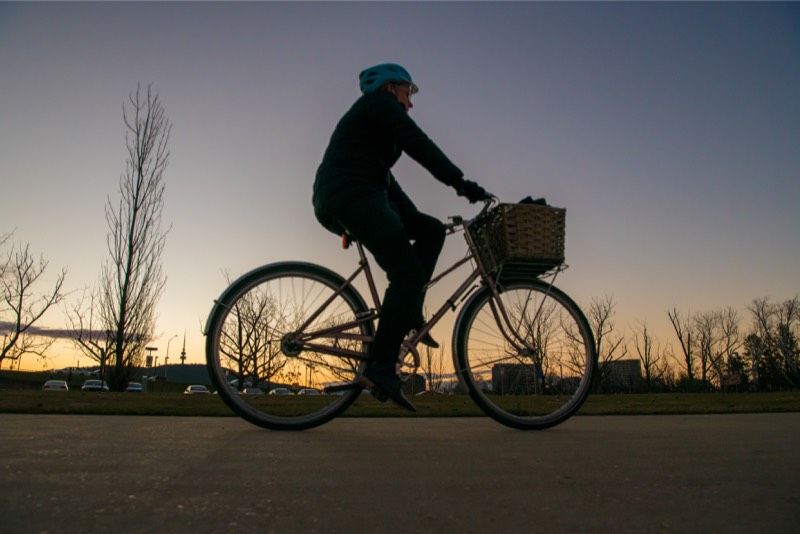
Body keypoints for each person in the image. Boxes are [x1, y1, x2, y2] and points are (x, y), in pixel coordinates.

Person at [313, 63, 491, 411]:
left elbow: (387, 185)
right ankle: (381, 366)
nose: (411, 102)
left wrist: (419, 219)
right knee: (406, 274)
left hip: (358, 192)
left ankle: (409, 312)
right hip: (352, 194)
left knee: (431, 230)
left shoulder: (372, 127)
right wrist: (460, 183)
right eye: (409, 92)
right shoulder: (377, 105)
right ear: (390, 88)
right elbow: (418, 144)